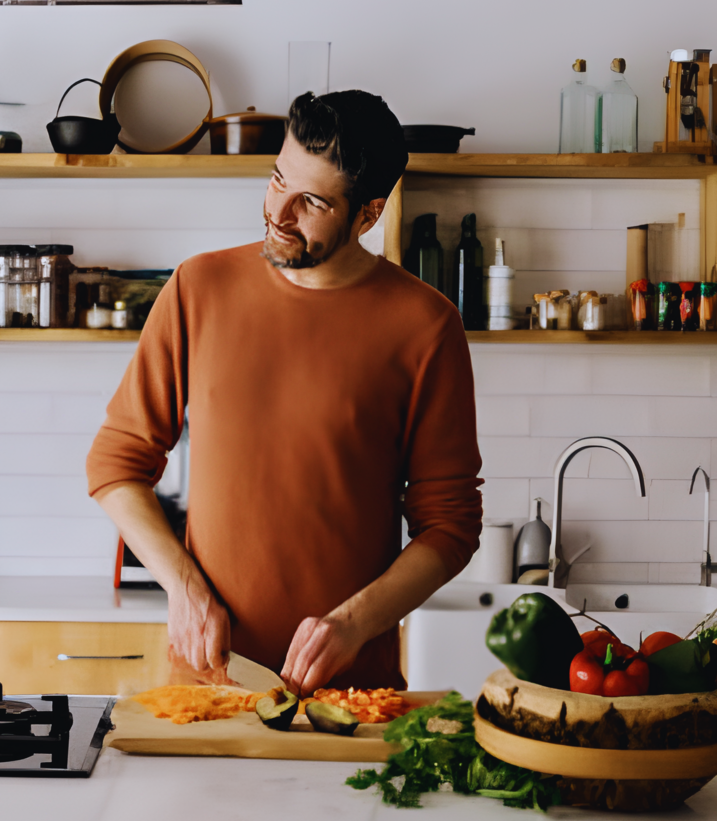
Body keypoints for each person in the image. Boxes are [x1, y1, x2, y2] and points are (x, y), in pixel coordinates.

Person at [85, 89, 482, 693]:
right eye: (276, 179)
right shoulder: (199, 287)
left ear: (368, 215)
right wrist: (184, 590)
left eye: (312, 202)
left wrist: (353, 626)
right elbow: (114, 465)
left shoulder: (425, 325)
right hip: (209, 686)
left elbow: (449, 527)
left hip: (351, 697)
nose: (278, 211)